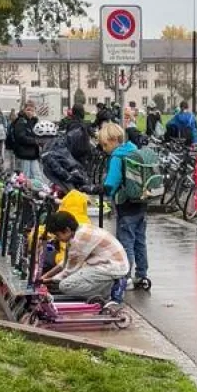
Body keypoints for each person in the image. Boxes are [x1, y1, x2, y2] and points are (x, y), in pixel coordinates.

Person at [100, 122, 151, 289]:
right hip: (141, 204)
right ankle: (142, 275)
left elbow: (111, 182)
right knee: (140, 241)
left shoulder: (117, 156)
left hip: (126, 205)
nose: (104, 148)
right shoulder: (134, 150)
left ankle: (126, 276)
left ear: (114, 140)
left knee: (125, 241)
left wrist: (102, 190)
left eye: (105, 144)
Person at [40, 210, 130, 302]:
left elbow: (69, 271)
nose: (57, 238)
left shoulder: (78, 240)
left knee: (65, 285)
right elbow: (65, 262)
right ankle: (109, 285)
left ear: (67, 230)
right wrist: (45, 276)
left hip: (113, 266)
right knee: (67, 280)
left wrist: (47, 281)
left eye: (57, 235)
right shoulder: (78, 231)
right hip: (109, 263)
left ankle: (111, 288)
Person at [42, 118, 94, 193]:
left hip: (73, 179)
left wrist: (71, 177)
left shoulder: (51, 152)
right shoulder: (59, 145)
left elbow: (61, 169)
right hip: (77, 172)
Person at [8, 101, 43, 182]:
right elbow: (21, 137)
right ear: (24, 110)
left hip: (32, 154)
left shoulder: (33, 121)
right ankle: (24, 193)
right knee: (25, 177)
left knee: (37, 176)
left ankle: (35, 192)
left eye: (32, 110)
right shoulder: (21, 121)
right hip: (24, 154)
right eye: (28, 110)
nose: (30, 112)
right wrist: (35, 141)